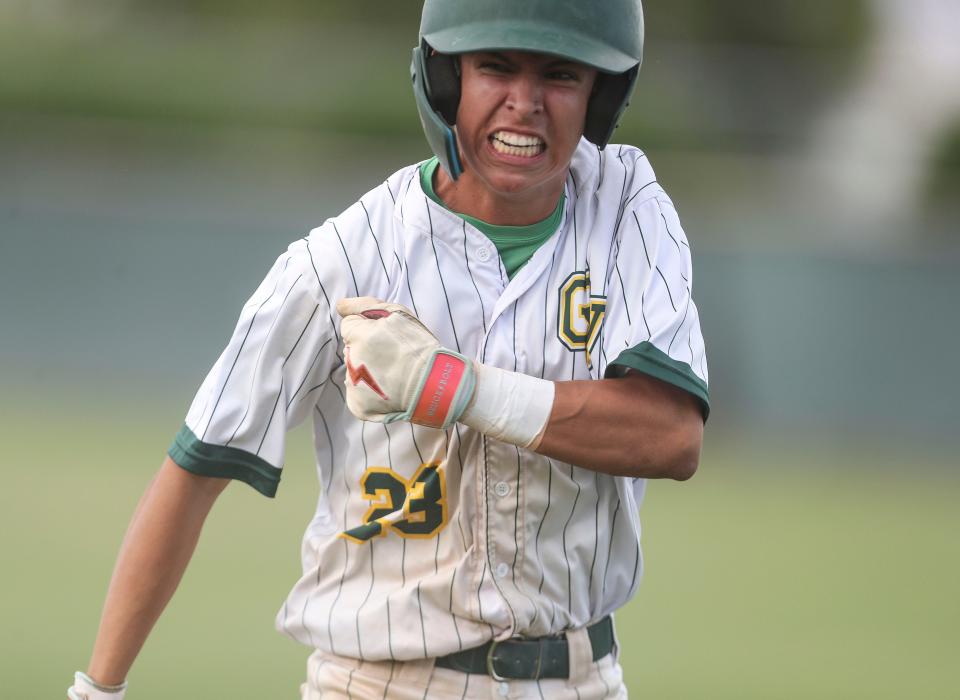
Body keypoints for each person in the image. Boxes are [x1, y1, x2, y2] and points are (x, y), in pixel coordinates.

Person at [68, 0, 709, 698]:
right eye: (495, 66)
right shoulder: (342, 261)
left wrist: (455, 390)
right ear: (443, 79)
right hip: (378, 682)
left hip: (580, 679)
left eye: (559, 74)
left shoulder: (625, 208)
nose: (524, 102)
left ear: (600, 94)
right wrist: (97, 690)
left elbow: (671, 436)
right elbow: (195, 470)